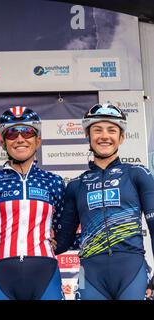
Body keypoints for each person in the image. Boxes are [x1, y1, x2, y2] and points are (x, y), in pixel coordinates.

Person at [54, 103, 154, 300]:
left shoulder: (138, 174)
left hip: (131, 269)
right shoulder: (76, 185)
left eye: (112, 130)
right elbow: (63, 240)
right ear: (88, 136)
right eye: (97, 130)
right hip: (89, 273)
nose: (104, 136)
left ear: (121, 137)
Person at [0, 106, 65, 300]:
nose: (20, 139)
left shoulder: (54, 181)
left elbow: (66, 230)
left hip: (45, 270)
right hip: (0, 270)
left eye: (27, 132)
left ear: (38, 140)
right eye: (12, 134)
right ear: (4, 143)